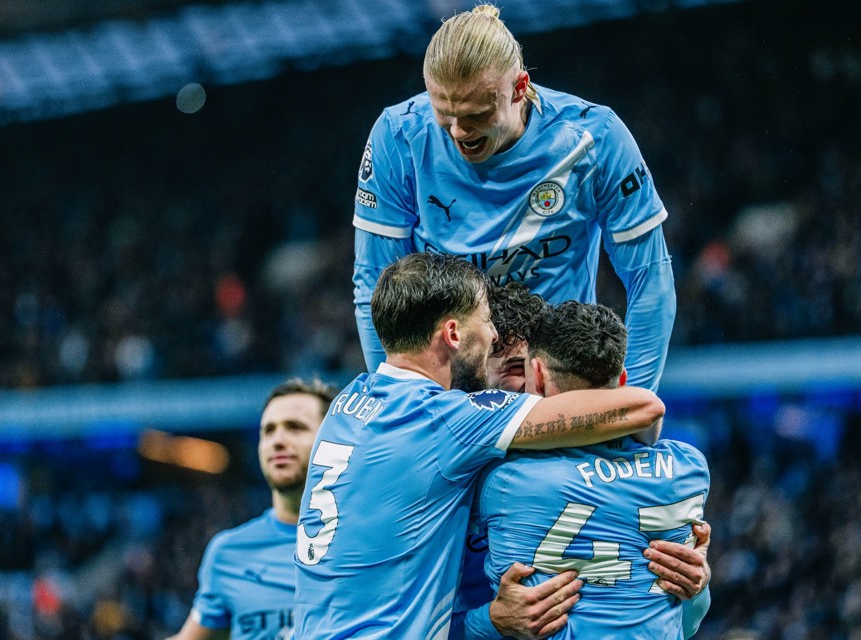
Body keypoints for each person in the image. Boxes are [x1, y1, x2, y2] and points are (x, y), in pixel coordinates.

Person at [294, 252, 667, 638]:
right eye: (486, 320)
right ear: (453, 334)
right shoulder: (448, 421)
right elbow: (644, 408)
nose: (491, 335)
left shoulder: (349, 403)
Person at [352, 4, 676, 393]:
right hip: (451, 388)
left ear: (519, 87)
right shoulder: (397, 136)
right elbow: (375, 287)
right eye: (443, 113)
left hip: (558, 381)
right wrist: (397, 398)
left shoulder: (595, 139)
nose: (458, 132)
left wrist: (633, 402)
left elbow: (649, 276)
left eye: (475, 114)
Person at [473, 301, 711, 638]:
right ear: (622, 380)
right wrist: (700, 588)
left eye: (520, 369)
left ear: (536, 375)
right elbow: (686, 623)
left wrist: (485, 622)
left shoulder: (501, 478)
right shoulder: (688, 467)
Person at [166, 378, 337, 640]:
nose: (278, 440)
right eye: (268, 431)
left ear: (333, 441)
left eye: (295, 427)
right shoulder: (228, 554)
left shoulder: (375, 544)